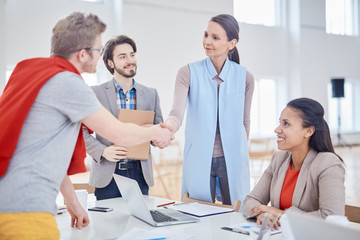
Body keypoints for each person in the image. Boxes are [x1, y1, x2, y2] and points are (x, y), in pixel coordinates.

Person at [0, 12, 173, 239]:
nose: (100, 54)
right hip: (26, 212)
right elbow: (118, 133)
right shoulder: (68, 82)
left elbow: (44, 153)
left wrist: (72, 203)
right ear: (83, 54)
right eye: (99, 49)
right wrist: (158, 131)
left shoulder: (30, 72)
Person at [165, 14, 254, 205]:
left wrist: (239, 153)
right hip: (198, 159)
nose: (207, 41)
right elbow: (176, 115)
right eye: (205, 35)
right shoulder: (187, 72)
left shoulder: (245, 77)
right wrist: (166, 129)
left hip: (233, 161)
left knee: (237, 214)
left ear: (232, 43)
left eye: (215, 37)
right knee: (198, 214)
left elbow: (245, 122)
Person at [242, 98, 345, 229]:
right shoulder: (279, 159)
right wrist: (261, 215)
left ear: (308, 131)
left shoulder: (328, 163)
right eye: (279, 123)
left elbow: (332, 218)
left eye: (286, 124)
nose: (277, 129)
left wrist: (281, 214)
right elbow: (250, 200)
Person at [83, 35, 163, 200]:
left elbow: (158, 132)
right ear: (111, 63)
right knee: (107, 225)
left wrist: (157, 135)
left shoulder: (151, 94)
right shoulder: (95, 94)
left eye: (132, 54)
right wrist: (103, 151)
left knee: (140, 224)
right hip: (108, 175)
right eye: (123, 56)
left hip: (140, 173)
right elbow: (79, 131)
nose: (130, 60)